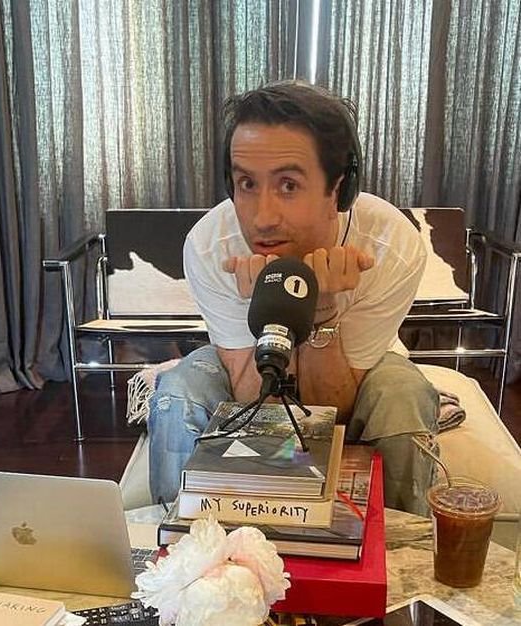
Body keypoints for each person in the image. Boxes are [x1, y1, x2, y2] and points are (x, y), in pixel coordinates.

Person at [147, 80, 439, 516]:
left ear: (339, 189)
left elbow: (332, 413)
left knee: (403, 395)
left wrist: (322, 309)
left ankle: (395, 546)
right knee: (178, 392)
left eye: (288, 185)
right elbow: (259, 407)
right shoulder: (212, 246)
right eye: (247, 183)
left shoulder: (389, 246)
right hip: (253, 370)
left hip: (354, 368)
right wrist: (262, 309)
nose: (262, 218)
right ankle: (180, 543)